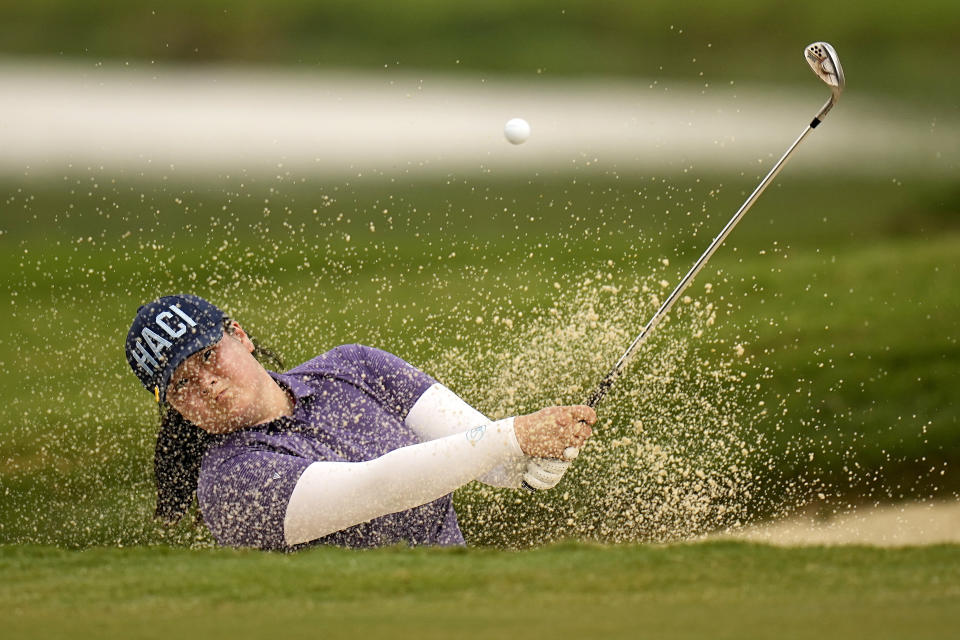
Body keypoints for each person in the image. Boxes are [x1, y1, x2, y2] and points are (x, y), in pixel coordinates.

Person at [126, 294, 596, 550]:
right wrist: (511, 436)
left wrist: (536, 459)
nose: (206, 384)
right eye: (183, 384)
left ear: (240, 336)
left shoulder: (355, 367)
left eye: (209, 356)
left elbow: (491, 463)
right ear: (175, 408)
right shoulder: (230, 484)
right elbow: (381, 487)